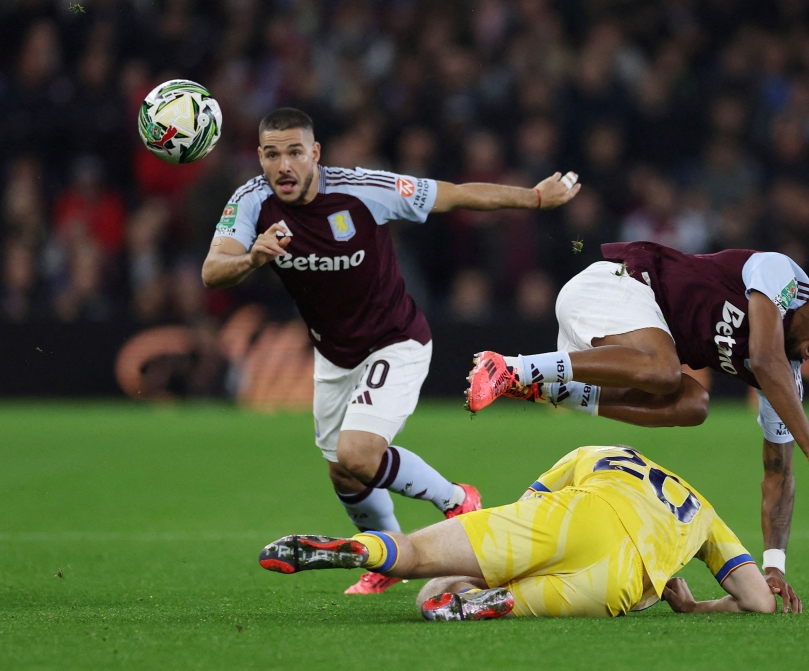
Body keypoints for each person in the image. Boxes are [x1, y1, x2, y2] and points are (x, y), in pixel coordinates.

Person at [201, 108, 580, 594]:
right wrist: (253, 255)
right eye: (272, 155)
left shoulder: (363, 190)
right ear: (260, 158)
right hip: (334, 355)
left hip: (395, 341)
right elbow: (213, 270)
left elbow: (456, 195)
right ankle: (389, 553)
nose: (284, 166)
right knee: (342, 469)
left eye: (295, 152)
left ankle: (457, 498)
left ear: (315, 154)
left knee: (357, 453)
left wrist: (532, 198)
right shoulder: (251, 201)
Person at [465, 242, 809, 611]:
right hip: (614, 285)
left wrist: (773, 568)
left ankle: (551, 390)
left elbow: (778, 475)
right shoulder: (782, 276)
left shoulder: (785, 379)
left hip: (615, 340)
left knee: (693, 403)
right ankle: (513, 368)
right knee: (665, 372)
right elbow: (764, 356)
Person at [258, 444, 778, 620]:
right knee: (467, 600)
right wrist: (693, 607)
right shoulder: (705, 514)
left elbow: (530, 502)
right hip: (618, 579)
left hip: (576, 513)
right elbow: (759, 602)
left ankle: (362, 547)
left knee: (424, 569)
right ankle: (492, 602)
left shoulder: (604, 453)